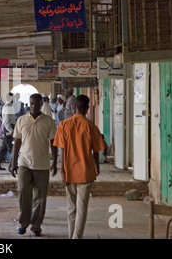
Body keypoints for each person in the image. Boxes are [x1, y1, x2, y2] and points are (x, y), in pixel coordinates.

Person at [53, 95, 106, 239]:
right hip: (86, 172)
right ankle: (76, 237)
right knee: (82, 208)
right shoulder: (91, 127)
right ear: (88, 108)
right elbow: (96, 150)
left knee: (71, 208)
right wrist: (96, 166)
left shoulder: (64, 125)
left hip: (69, 171)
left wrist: (62, 170)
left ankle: (72, 236)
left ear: (74, 107)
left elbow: (61, 151)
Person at [9, 93, 58, 237]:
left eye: (37, 104)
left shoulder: (48, 121)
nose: (34, 106)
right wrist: (13, 162)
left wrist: (55, 161)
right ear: (28, 104)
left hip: (42, 164)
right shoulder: (21, 120)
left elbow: (53, 143)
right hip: (24, 162)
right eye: (32, 103)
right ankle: (23, 223)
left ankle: (36, 226)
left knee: (40, 197)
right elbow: (17, 142)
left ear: (41, 104)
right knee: (24, 192)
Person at [0, 92, 16, 170]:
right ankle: (13, 164)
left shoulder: (10, 106)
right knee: (11, 148)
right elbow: (6, 121)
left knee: (4, 148)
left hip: (9, 127)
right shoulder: (7, 107)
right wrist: (11, 130)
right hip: (8, 128)